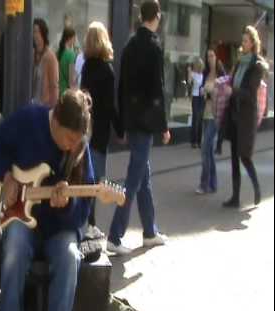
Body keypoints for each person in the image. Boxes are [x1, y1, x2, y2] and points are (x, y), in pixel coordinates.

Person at [0, 89, 95, 311]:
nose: (72, 145)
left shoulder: (80, 150)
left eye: (77, 140)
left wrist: (67, 205)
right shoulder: (29, 119)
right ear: (55, 122)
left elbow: (83, 212)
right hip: (19, 217)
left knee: (70, 258)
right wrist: (6, 176)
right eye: (69, 138)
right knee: (13, 249)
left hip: (57, 229)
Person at [106, 0, 171, 255]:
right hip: (145, 123)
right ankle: (114, 235)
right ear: (157, 16)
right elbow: (158, 91)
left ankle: (150, 232)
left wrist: (121, 125)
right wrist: (163, 126)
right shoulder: (154, 46)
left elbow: (121, 88)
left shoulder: (130, 45)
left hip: (132, 121)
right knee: (135, 178)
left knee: (143, 177)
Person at [80, 21, 124, 239]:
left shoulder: (87, 67)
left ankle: (86, 222)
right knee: (95, 180)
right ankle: (89, 224)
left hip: (84, 127)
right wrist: (120, 129)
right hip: (99, 132)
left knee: (86, 177)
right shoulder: (107, 70)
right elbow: (109, 105)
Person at [222, 26, 268, 208]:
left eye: (246, 41)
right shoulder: (240, 62)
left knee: (245, 156)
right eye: (242, 41)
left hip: (246, 117)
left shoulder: (256, 65)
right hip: (234, 114)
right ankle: (235, 197)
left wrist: (232, 90)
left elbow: (250, 94)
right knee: (234, 156)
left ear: (253, 43)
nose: (243, 44)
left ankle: (257, 188)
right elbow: (233, 84)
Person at [195, 48, 226, 195]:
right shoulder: (206, 73)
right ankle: (213, 184)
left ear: (216, 57)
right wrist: (203, 90)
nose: (210, 58)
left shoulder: (221, 74)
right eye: (207, 56)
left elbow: (225, 93)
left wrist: (213, 92)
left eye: (212, 55)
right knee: (209, 152)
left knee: (204, 148)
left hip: (216, 116)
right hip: (206, 114)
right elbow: (203, 89)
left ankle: (204, 183)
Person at [32, 18, 59, 108]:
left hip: (44, 107)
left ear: (43, 33)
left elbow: (54, 86)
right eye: (33, 32)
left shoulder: (50, 57)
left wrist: (52, 109)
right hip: (32, 105)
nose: (35, 35)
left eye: (37, 32)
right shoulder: (32, 55)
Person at [187, 57, 204, 148]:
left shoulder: (203, 75)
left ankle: (199, 141)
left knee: (201, 119)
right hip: (195, 97)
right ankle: (193, 141)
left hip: (202, 98)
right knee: (195, 119)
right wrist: (189, 72)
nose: (200, 66)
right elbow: (189, 82)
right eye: (199, 65)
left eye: (201, 65)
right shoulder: (193, 74)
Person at [57, 26, 77, 97]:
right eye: (74, 38)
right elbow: (72, 81)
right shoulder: (71, 54)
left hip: (58, 93)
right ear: (70, 38)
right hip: (66, 95)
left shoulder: (58, 52)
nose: (75, 41)